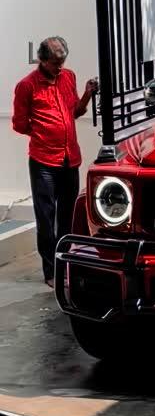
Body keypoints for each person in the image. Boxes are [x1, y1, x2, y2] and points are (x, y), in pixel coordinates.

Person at [12, 37, 98, 287]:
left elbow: (75, 112)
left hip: (69, 157)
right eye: (54, 63)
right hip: (43, 161)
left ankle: (67, 264)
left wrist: (87, 94)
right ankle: (50, 271)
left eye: (62, 61)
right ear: (42, 60)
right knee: (46, 217)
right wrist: (41, 133)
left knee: (68, 214)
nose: (59, 67)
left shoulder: (67, 77)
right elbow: (19, 124)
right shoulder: (27, 86)